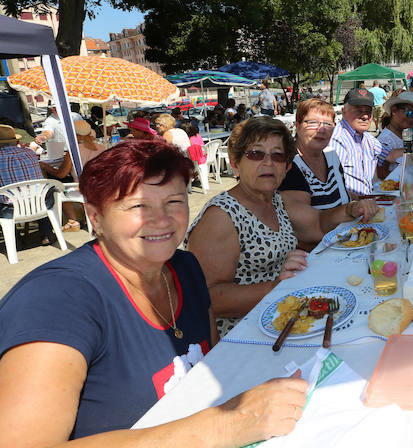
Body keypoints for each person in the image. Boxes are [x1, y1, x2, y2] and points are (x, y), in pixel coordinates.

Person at [0, 140, 308, 444]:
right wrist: (227, 425)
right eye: (137, 205)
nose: (161, 220)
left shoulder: (185, 267)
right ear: (95, 218)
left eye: (174, 201)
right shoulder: (56, 301)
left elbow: (213, 364)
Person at [188, 118, 311, 335]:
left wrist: (351, 209)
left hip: (279, 321)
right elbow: (209, 298)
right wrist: (276, 287)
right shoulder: (221, 217)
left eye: (277, 155)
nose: (268, 163)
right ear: (235, 163)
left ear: (287, 166)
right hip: (241, 337)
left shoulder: (274, 200)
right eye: (256, 154)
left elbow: (316, 224)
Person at [278, 99, 378, 239]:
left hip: (349, 234)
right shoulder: (290, 166)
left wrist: (371, 201)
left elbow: (342, 194)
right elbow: (308, 228)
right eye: (313, 123)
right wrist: (351, 209)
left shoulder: (330, 154)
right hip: (322, 248)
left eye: (328, 124)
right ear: (298, 126)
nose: (322, 129)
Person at [0, 124, 54, 243]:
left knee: (6, 199)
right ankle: (46, 234)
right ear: (16, 141)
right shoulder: (29, 153)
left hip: (11, 209)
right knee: (39, 193)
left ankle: (14, 240)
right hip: (40, 204)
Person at [329, 88, 382, 197]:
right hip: (351, 207)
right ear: (343, 112)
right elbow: (334, 185)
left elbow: (388, 155)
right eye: (358, 111)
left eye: (368, 112)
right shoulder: (338, 139)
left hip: (368, 200)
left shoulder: (366, 137)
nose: (365, 116)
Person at [375, 92, 413, 179]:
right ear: (394, 110)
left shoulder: (404, 134)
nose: (411, 119)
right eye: (409, 113)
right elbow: (382, 174)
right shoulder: (385, 140)